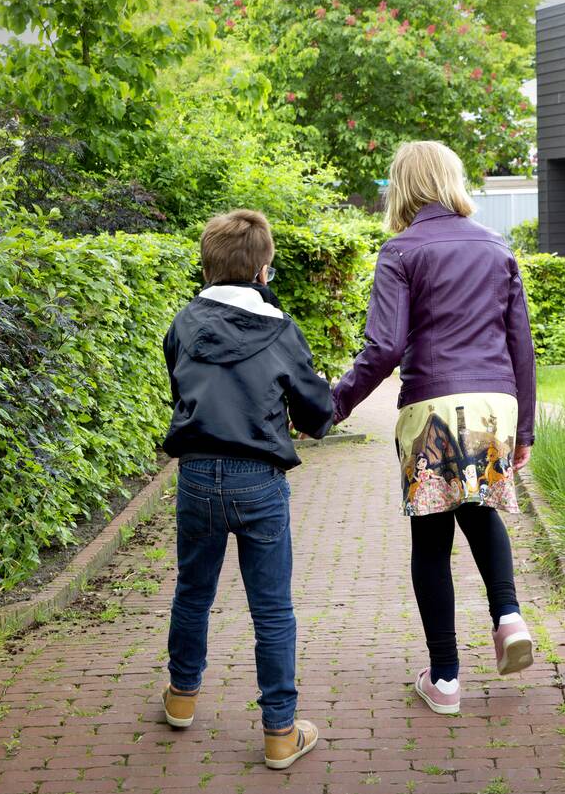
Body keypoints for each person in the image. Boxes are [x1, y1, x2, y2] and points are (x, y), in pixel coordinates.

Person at [331, 141, 537, 716]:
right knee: (481, 510)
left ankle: (445, 680)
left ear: (403, 186)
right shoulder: (498, 247)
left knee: (431, 541)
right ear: (452, 180)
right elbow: (521, 346)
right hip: (493, 403)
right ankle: (508, 615)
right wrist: (525, 433)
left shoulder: (400, 251)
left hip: (432, 406)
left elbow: (384, 347)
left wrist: (334, 405)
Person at [160, 209, 334, 769]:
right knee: (272, 608)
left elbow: (179, 387)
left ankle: (182, 697)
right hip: (258, 479)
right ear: (263, 270)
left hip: (196, 474)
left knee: (193, 591)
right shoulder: (281, 332)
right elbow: (316, 412)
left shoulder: (184, 324)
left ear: (207, 266)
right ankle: (280, 732)